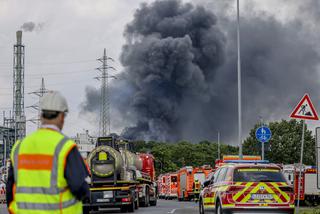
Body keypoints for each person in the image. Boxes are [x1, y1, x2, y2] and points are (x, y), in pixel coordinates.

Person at [6, 91, 90, 214]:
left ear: (41, 116)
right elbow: (79, 187)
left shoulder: (19, 147)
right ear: (62, 117)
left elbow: (10, 188)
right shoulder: (65, 147)